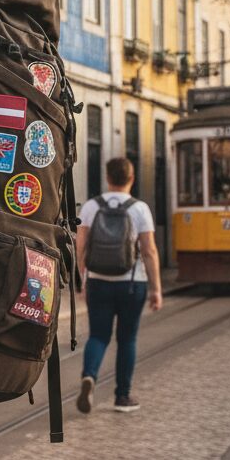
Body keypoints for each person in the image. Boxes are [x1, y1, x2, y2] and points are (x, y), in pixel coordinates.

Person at [75, 157, 162, 414]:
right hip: (132, 284)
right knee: (127, 339)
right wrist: (156, 288)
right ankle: (122, 397)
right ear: (132, 178)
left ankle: (89, 376)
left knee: (98, 335)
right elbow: (149, 251)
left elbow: (81, 247)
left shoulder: (91, 206)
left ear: (107, 178)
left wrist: (82, 280)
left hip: (98, 281)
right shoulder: (140, 209)